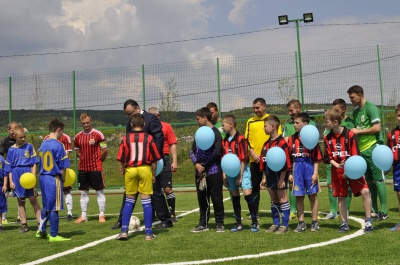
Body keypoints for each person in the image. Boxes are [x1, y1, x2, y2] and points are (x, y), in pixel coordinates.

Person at [111, 100, 172, 230]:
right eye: (127, 115)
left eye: (130, 113)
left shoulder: (151, 119)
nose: (129, 117)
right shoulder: (130, 123)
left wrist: (153, 159)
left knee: (155, 192)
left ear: (137, 108)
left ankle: (166, 220)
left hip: (149, 164)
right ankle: (122, 221)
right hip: (133, 165)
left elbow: (159, 138)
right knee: (129, 193)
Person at [323, 108, 373, 232]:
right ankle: (344, 223)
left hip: (353, 168)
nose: (325, 124)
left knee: (365, 191)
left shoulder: (350, 134)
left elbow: (355, 154)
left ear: (335, 122)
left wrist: (349, 169)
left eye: (326, 122)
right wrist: (338, 166)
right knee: (341, 196)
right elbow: (328, 157)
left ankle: (368, 221)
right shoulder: (327, 138)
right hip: (337, 170)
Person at [116, 114, 161, 240]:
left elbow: (121, 157)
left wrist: (124, 167)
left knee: (129, 200)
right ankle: (148, 233)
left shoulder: (125, 139)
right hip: (145, 169)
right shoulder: (149, 138)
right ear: (144, 125)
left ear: (131, 125)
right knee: (146, 201)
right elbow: (155, 159)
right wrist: (153, 174)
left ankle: (124, 231)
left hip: (130, 170)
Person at [347, 85, 388, 220]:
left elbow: (377, 128)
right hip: (362, 151)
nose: (350, 100)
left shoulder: (371, 108)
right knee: (369, 182)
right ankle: (375, 211)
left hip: (374, 149)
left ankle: (384, 211)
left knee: (379, 180)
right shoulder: (355, 113)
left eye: (352, 97)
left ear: (360, 94)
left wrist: (358, 131)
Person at [245, 98, 282, 219]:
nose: (255, 110)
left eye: (258, 108)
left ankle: (277, 211)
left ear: (264, 107)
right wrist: (253, 154)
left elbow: (278, 138)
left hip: (271, 160)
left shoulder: (272, 120)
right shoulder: (250, 121)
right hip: (254, 160)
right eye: (254, 108)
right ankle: (254, 213)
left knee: (274, 186)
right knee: (255, 187)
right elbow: (247, 140)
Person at [221, 115, 258, 232]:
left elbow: (244, 159)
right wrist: (224, 175)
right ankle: (238, 223)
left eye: (223, 125)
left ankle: (255, 222)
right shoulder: (225, 141)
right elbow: (224, 160)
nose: (222, 128)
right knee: (235, 196)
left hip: (242, 171)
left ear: (231, 124)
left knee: (247, 194)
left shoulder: (241, 139)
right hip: (229, 174)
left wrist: (240, 176)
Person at [190, 107, 224, 232]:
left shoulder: (215, 133)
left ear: (205, 118)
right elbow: (192, 150)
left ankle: (219, 223)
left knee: (216, 197)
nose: (197, 121)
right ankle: (203, 223)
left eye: (198, 119)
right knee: (202, 198)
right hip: (199, 172)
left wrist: (204, 165)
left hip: (213, 171)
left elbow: (216, 152)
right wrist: (196, 164)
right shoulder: (199, 133)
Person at [37, 118, 71, 241]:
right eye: (62, 132)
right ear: (59, 130)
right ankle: (53, 234)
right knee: (54, 207)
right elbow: (63, 166)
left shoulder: (43, 144)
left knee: (46, 205)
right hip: (53, 178)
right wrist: (63, 179)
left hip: (43, 177)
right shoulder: (58, 145)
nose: (62, 134)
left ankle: (41, 230)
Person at [288, 113, 323, 232]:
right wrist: (290, 174)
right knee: (299, 196)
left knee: (313, 195)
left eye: (297, 123)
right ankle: (301, 223)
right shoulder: (291, 139)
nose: (294, 125)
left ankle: (314, 222)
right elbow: (289, 158)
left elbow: (317, 158)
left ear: (305, 124)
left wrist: (315, 173)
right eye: (294, 122)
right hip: (297, 167)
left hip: (309, 167)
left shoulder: (312, 137)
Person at [4, 125, 41, 233]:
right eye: (21, 137)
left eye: (24, 136)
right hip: (16, 176)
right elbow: (9, 168)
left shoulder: (29, 146)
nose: (23, 139)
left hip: (28, 175)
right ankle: (24, 225)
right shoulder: (11, 150)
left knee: (33, 199)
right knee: (21, 201)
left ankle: (40, 223)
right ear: (15, 137)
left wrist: (33, 177)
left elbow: (34, 163)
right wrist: (11, 181)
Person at [283, 99, 315, 220]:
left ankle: (313, 218)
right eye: (289, 111)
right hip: (295, 159)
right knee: (294, 186)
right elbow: (286, 141)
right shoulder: (288, 124)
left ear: (299, 109)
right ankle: (293, 211)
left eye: (291, 110)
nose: (290, 113)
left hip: (308, 161)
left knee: (312, 191)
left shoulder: (310, 124)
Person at [260, 115, 292, 234]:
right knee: (273, 199)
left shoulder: (282, 143)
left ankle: (284, 225)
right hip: (269, 174)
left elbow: (287, 161)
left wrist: (282, 178)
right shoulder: (266, 144)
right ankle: (275, 223)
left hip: (280, 176)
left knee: (282, 198)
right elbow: (264, 160)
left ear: (273, 127)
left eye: (265, 126)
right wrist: (264, 177)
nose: (264, 129)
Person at [74, 113, 108, 224]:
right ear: (81, 123)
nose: (86, 125)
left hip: (95, 168)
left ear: (91, 121)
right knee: (84, 192)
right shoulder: (77, 137)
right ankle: (83, 216)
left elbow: (105, 150)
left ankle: (102, 215)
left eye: (88, 122)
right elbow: (78, 152)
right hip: (83, 169)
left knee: (99, 192)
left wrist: (99, 161)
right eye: (84, 123)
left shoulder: (98, 135)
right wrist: (84, 159)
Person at [323, 99, 354, 220]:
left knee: (356, 189)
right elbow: (326, 136)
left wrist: (347, 162)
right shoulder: (329, 131)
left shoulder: (349, 126)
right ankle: (333, 211)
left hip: (348, 162)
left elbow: (351, 140)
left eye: (336, 110)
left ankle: (348, 210)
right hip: (334, 162)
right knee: (332, 186)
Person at [148, 107, 179, 222]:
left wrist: (175, 161)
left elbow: (172, 144)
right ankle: (152, 214)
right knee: (152, 188)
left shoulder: (166, 126)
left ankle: (172, 214)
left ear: (158, 116)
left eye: (154, 117)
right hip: (151, 160)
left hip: (164, 159)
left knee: (167, 188)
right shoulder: (147, 127)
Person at [44, 132, 74, 221]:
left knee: (66, 190)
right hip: (50, 170)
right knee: (50, 192)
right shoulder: (46, 138)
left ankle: (69, 213)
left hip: (61, 168)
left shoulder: (66, 137)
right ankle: (50, 212)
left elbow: (67, 153)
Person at [0, 121, 19, 224]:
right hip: (8, 170)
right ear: (8, 130)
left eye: (15, 128)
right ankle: (3, 216)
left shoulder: (19, 140)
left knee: (19, 193)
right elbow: (1, 155)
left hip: (17, 170)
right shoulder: (5, 141)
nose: (13, 131)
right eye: (12, 129)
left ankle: (19, 215)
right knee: (5, 193)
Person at [387, 104, 400, 231]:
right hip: (397, 167)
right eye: (399, 115)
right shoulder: (391, 135)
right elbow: (388, 153)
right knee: (399, 195)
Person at [0, 154, 7, 232]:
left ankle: (0, 225)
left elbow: (5, 173)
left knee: (0, 206)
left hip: (0, 185)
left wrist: (5, 185)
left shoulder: (2, 159)